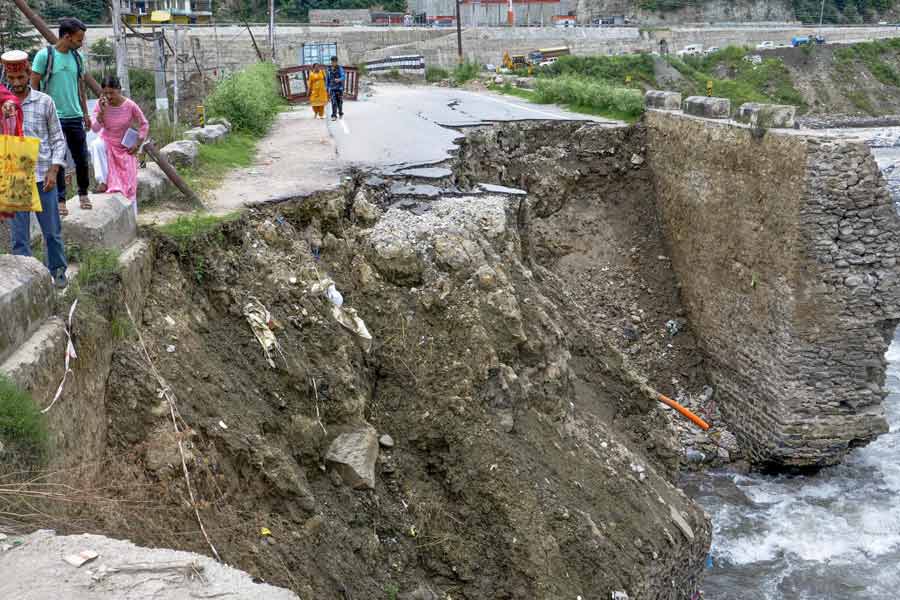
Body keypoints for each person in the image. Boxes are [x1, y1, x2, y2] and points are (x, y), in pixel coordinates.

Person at [2, 50, 69, 288]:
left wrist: (54, 169)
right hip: (15, 175)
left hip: (43, 175)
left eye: (22, 77)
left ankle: (58, 271)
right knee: (19, 236)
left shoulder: (44, 102)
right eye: (14, 79)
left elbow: (58, 140)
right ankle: (28, 280)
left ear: (29, 73)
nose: (18, 83)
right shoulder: (3, 104)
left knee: (51, 231)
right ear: (7, 78)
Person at [31, 17, 92, 215]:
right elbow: (34, 87)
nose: (81, 43)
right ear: (67, 37)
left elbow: (80, 87)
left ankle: (83, 193)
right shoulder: (44, 56)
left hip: (74, 115)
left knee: (82, 157)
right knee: (57, 160)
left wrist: (85, 113)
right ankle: (61, 199)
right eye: (79, 39)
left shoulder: (77, 58)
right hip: (52, 117)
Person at [89, 75, 148, 215]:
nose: (109, 96)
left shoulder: (130, 105)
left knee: (128, 184)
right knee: (96, 144)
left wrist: (138, 143)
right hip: (107, 142)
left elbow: (144, 124)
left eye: (112, 92)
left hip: (124, 147)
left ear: (119, 90)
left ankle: (133, 219)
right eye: (105, 93)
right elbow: (95, 129)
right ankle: (102, 182)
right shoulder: (101, 104)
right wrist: (101, 113)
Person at [326, 56, 345, 121]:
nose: (333, 63)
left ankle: (340, 113)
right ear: (331, 62)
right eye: (332, 61)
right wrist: (327, 88)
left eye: (335, 61)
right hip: (332, 88)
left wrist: (339, 79)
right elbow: (327, 79)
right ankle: (334, 115)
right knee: (333, 102)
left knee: (339, 102)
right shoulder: (328, 69)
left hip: (339, 88)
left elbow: (343, 77)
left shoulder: (340, 68)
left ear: (337, 62)